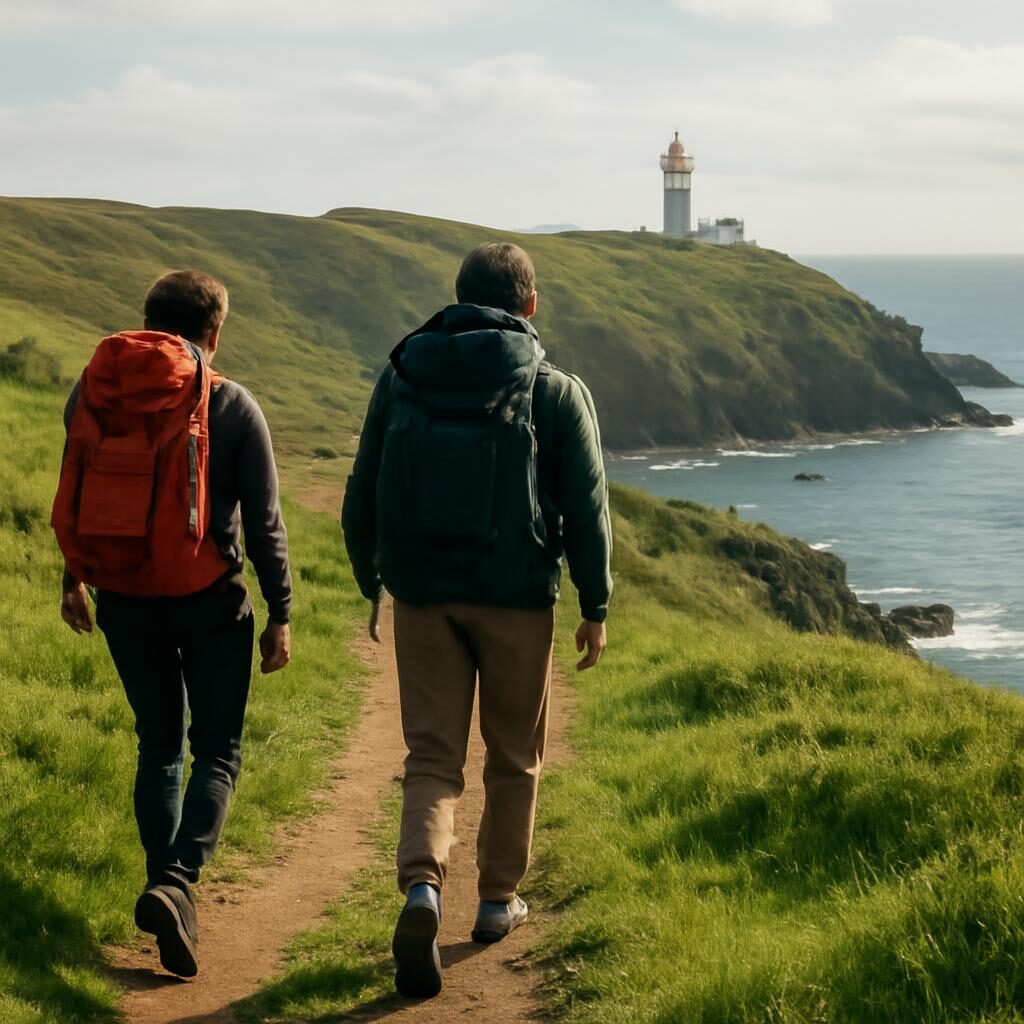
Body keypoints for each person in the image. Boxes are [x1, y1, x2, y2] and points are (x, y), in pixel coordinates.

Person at [342, 242, 612, 999]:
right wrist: (596, 605)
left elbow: (363, 487)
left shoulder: (401, 377)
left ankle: (422, 890)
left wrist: (372, 583)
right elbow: (588, 510)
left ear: (457, 298)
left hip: (422, 594)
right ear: (529, 305)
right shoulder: (554, 389)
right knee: (513, 753)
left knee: (431, 756)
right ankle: (496, 902)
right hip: (517, 595)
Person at [53, 270, 292, 979]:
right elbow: (267, 522)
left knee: (158, 748)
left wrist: (74, 576)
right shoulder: (231, 403)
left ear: (148, 319)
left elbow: (76, 485)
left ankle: (165, 889)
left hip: (123, 595)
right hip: (211, 598)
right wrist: (281, 613)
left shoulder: (92, 392)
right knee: (216, 749)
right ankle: (178, 881)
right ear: (213, 333)